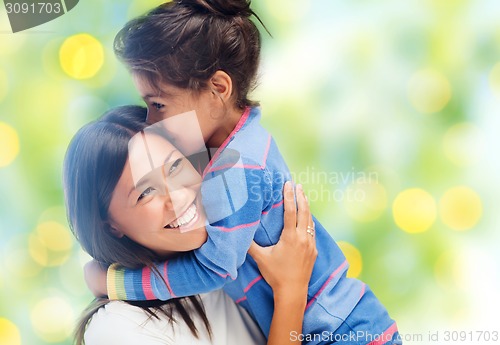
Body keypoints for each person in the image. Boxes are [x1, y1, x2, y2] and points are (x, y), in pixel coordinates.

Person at [86, 1, 402, 344]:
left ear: (218, 89)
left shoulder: (237, 167)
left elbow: (212, 268)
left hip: (343, 333)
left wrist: (115, 282)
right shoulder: (239, 142)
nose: (151, 123)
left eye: (158, 104)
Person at [64, 105, 317, 344]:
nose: (178, 196)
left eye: (175, 166)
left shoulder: (230, 242)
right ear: (110, 227)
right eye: (146, 192)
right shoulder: (117, 328)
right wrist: (291, 291)